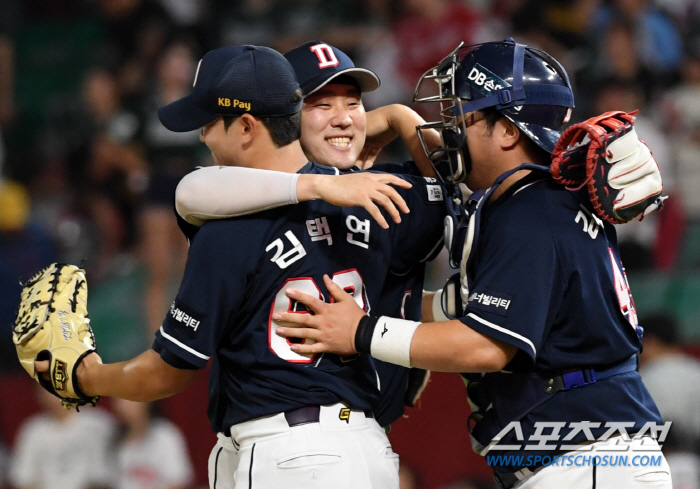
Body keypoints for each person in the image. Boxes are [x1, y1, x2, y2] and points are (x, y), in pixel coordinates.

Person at [39, 44, 445, 489]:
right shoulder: (377, 194)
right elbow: (453, 191)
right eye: (324, 103)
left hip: (289, 455)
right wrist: (406, 120)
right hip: (365, 449)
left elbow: (168, 370)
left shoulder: (228, 226)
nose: (202, 136)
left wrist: (85, 375)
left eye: (210, 123)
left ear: (247, 126)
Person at [273, 39, 672, 488]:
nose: (453, 129)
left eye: (465, 115)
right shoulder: (532, 202)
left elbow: (484, 345)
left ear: (507, 132)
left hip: (587, 462)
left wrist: (361, 332)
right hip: (590, 457)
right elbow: (452, 307)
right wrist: (401, 119)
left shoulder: (530, 213)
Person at [172, 40, 444, 487]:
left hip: (305, 444)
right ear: (286, 117)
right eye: (321, 104)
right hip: (322, 443)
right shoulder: (238, 200)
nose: (342, 116)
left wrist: (399, 116)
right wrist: (320, 184)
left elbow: (458, 189)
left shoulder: (378, 190)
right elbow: (191, 191)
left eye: (354, 103)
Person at [10, 385, 116, 489]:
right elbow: (23, 480)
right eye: (45, 389)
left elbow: (105, 478)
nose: (51, 395)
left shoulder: (98, 424)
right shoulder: (32, 430)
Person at [111, 399, 194, 489]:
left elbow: (178, 482)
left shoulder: (165, 436)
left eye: (127, 399)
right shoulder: (112, 438)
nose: (121, 405)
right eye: (117, 399)